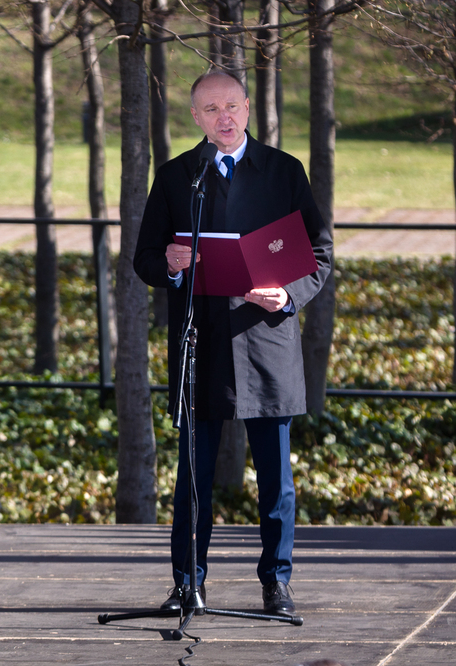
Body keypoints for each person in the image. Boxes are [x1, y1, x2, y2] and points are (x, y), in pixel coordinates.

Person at [133, 70, 333, 616]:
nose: (224, 116)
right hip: (203, 341)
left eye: (232, 106)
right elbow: (145, 256)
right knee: (193, 475)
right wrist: (169, 265)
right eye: (211, 108)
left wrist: (287, 295)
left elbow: (319, 255)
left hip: (266, 337)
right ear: (195, 117)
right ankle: (187, 583)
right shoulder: (179, 177)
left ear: (248, 108)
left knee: (276, 476)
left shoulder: (284, 172)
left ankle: (277, 583)